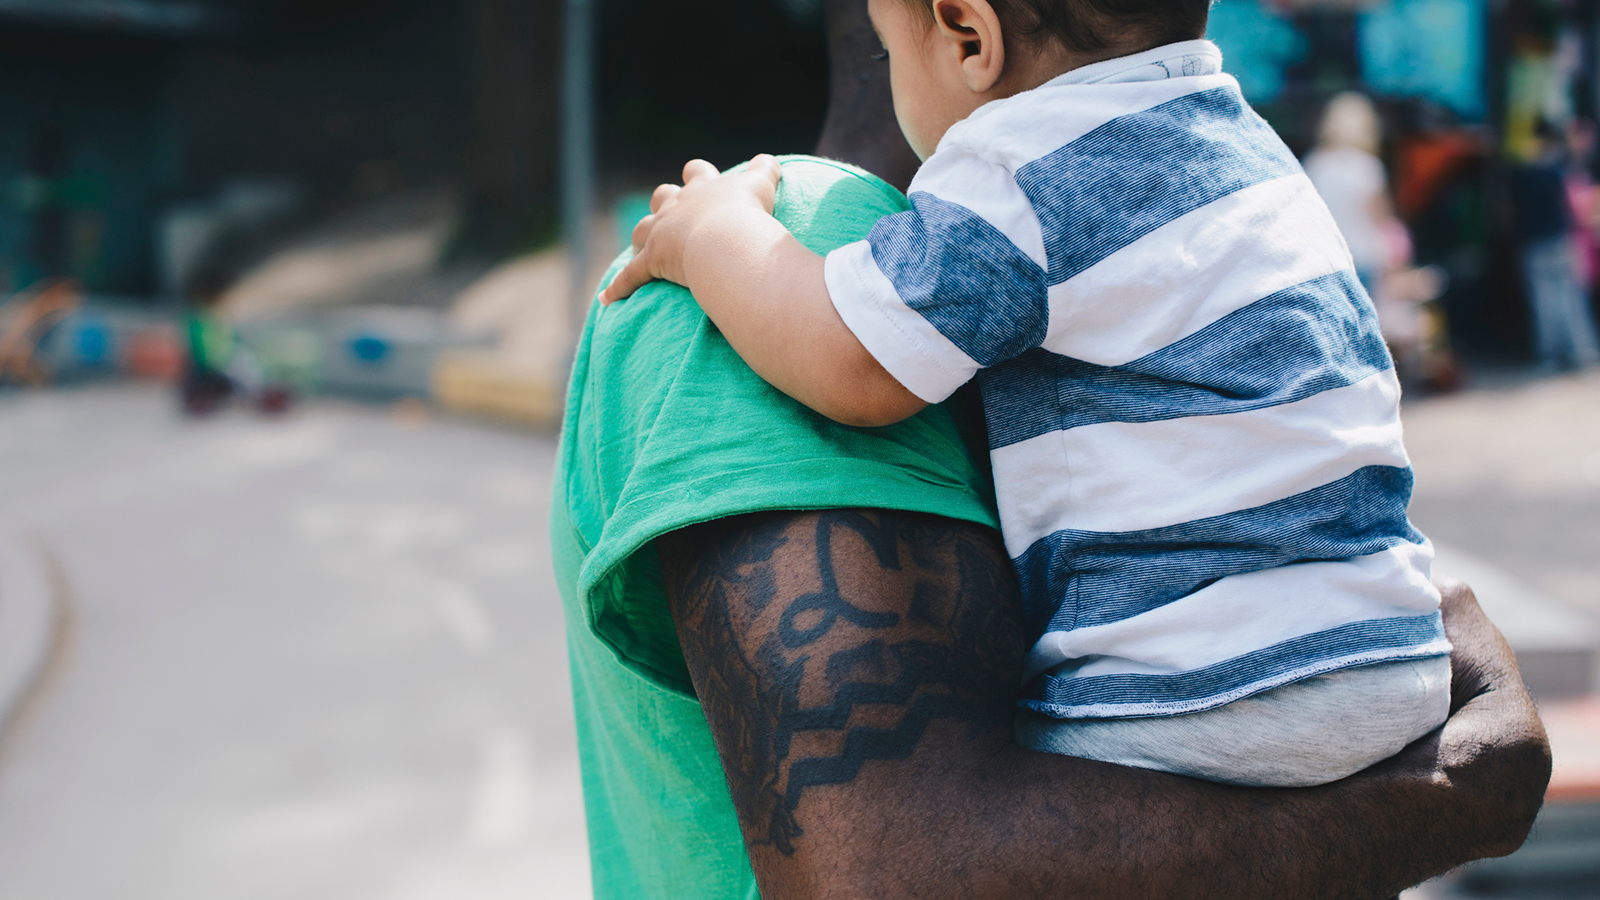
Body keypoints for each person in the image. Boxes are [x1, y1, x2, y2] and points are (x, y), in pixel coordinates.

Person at [553, 0, 1550, 897]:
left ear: (967, 34)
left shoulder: (1010, 184)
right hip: (1390, 673)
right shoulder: (1244, 158)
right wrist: (1431, 801)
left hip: (1199, 709)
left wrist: (711, 233)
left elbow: (910, 875)